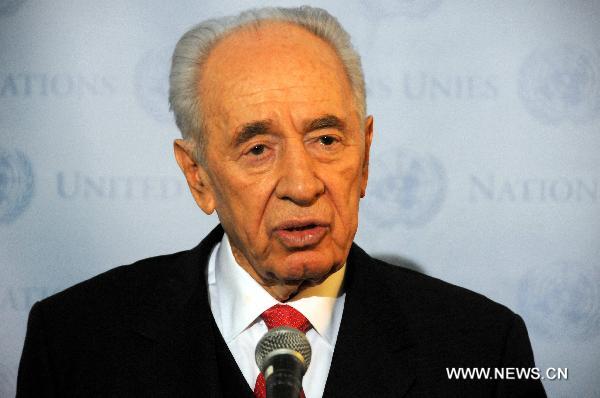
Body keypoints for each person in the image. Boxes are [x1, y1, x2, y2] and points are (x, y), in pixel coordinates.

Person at [17, 6, 546, 397]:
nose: (302, 184)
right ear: (198, 175)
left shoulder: (482, 348)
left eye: (326, 140)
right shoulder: (74, 344)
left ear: (364, 159)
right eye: (258, 148)